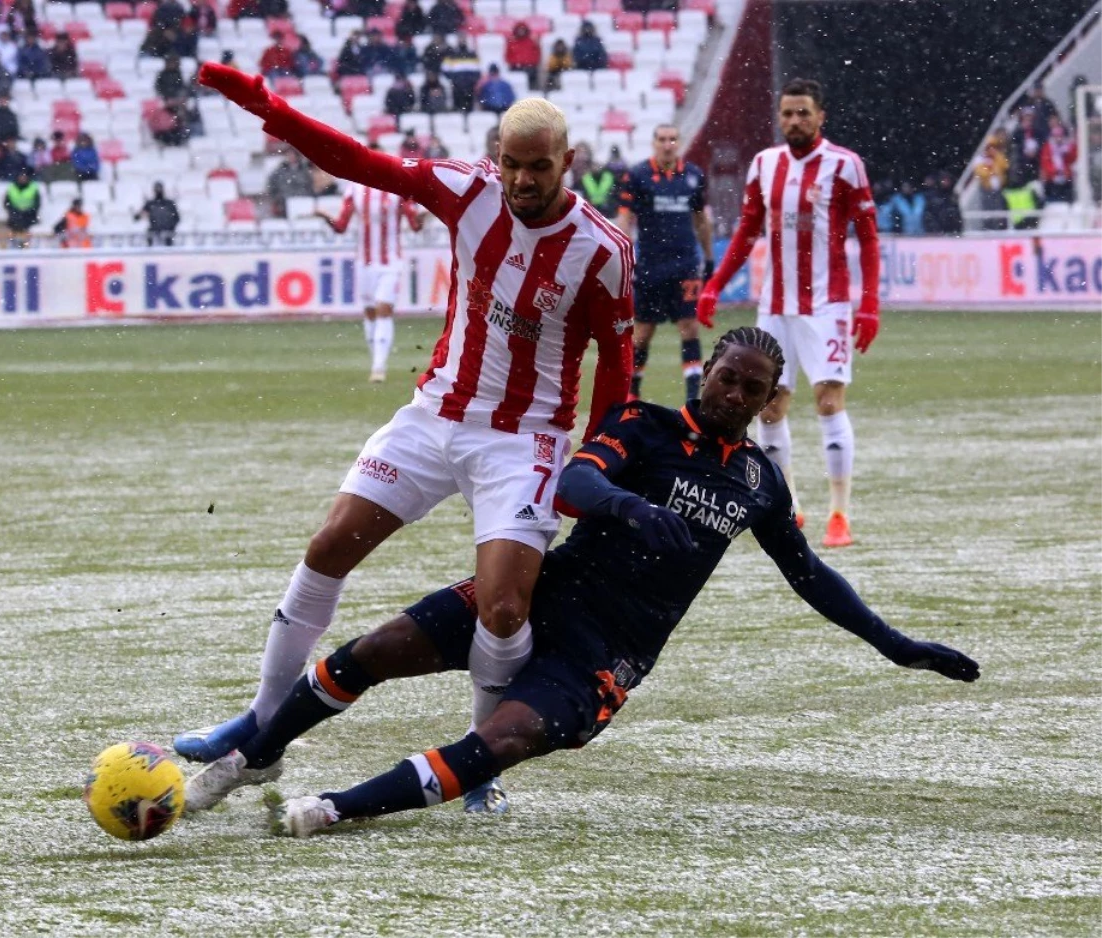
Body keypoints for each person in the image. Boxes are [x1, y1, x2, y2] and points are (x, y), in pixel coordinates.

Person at [181, 327, 981, 832]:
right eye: (724, 378)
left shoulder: (761, 486)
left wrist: (896, 644)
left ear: (771, 399)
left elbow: (810, 576)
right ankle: (251, 756)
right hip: (542, 594)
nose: (733, 393)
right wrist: (633, 509)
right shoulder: (645, 424)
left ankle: (330, 812)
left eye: (750, 387)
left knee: (499, 742)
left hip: (609, 652)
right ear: (706, 375)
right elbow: (575, 484)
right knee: (376, 648)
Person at [174, 64, 634, 815]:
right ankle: (260, 724)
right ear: (498, 155)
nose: (522, 179)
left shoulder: (602, 250)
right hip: (434, 415)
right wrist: (270, 109)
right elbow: (359, 161)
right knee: (328, 547)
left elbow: (616, 369)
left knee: (505, 611)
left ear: (568, 162)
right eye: (512, 163)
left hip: (524, 442)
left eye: (538, 166)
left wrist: (600, 462)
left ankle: (478, 760)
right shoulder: (469, 189)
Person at [696, 78, 881, 550]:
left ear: (821, 116)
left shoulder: (845, 166)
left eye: (803, 113)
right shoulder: (764, 164)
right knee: (769, 405)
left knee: (827, 401)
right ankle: (790, 505)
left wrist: (870, 304)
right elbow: (745, 232)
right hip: (774, 305)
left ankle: (840, 513)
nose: (794, 121)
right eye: (787, 113)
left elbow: (869, 237)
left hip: (827, 305)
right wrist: (715, 284)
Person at [618, 124, 713, 404]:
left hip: (684, 265)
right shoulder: (637, 175)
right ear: (653, 143)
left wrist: (708, 258)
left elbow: (701, 220)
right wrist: (622, 256)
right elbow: (625, 219)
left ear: (679, 142)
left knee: (689, 326)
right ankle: (632, 394)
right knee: (643, 333)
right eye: (662, 139)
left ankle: (693, 398)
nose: (668, 144)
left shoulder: (694, 176)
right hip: (649, 266)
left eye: (672, 139)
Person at [317, 171, 425, 383]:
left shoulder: (398, 192)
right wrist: (324, 216)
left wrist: (423, 218)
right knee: (369, 313)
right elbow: (341, 226)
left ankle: (378, 367)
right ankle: (376, 361)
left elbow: (414, 225)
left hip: (391, 262)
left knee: (383, 310)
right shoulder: (355, 189)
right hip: (364, 263)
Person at [266, 149, 316, 217]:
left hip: (302, 200)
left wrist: (308, 196)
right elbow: (272, 184)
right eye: (289, 155)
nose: (291, 157)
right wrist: (277, 197)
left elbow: (310, 185)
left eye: (292, 155)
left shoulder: (304, 170)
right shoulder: (280, 170)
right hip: (284, 202)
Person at [134, 180, 181, 245]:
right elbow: (138, 216)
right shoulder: (150, 203)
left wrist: (171, 227)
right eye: (157, 189)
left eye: (159, 189)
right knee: (150, 237)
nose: (158, 191)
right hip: (154, 230)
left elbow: (177, 218)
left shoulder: (169, 203)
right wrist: (138, 216)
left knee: (168, 244)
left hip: (167, 231)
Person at [4, 167, 40, 246]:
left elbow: (37, 203)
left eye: (24, 177)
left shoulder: (33, 187)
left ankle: (26, 243)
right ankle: (14, 243)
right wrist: (15, 210)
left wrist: (29, 210)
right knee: (14, 220)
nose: (23, 179)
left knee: (27, 222)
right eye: (21, 177)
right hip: (15, 212)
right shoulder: (12, 188)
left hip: (29, 213)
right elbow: (6, 203)